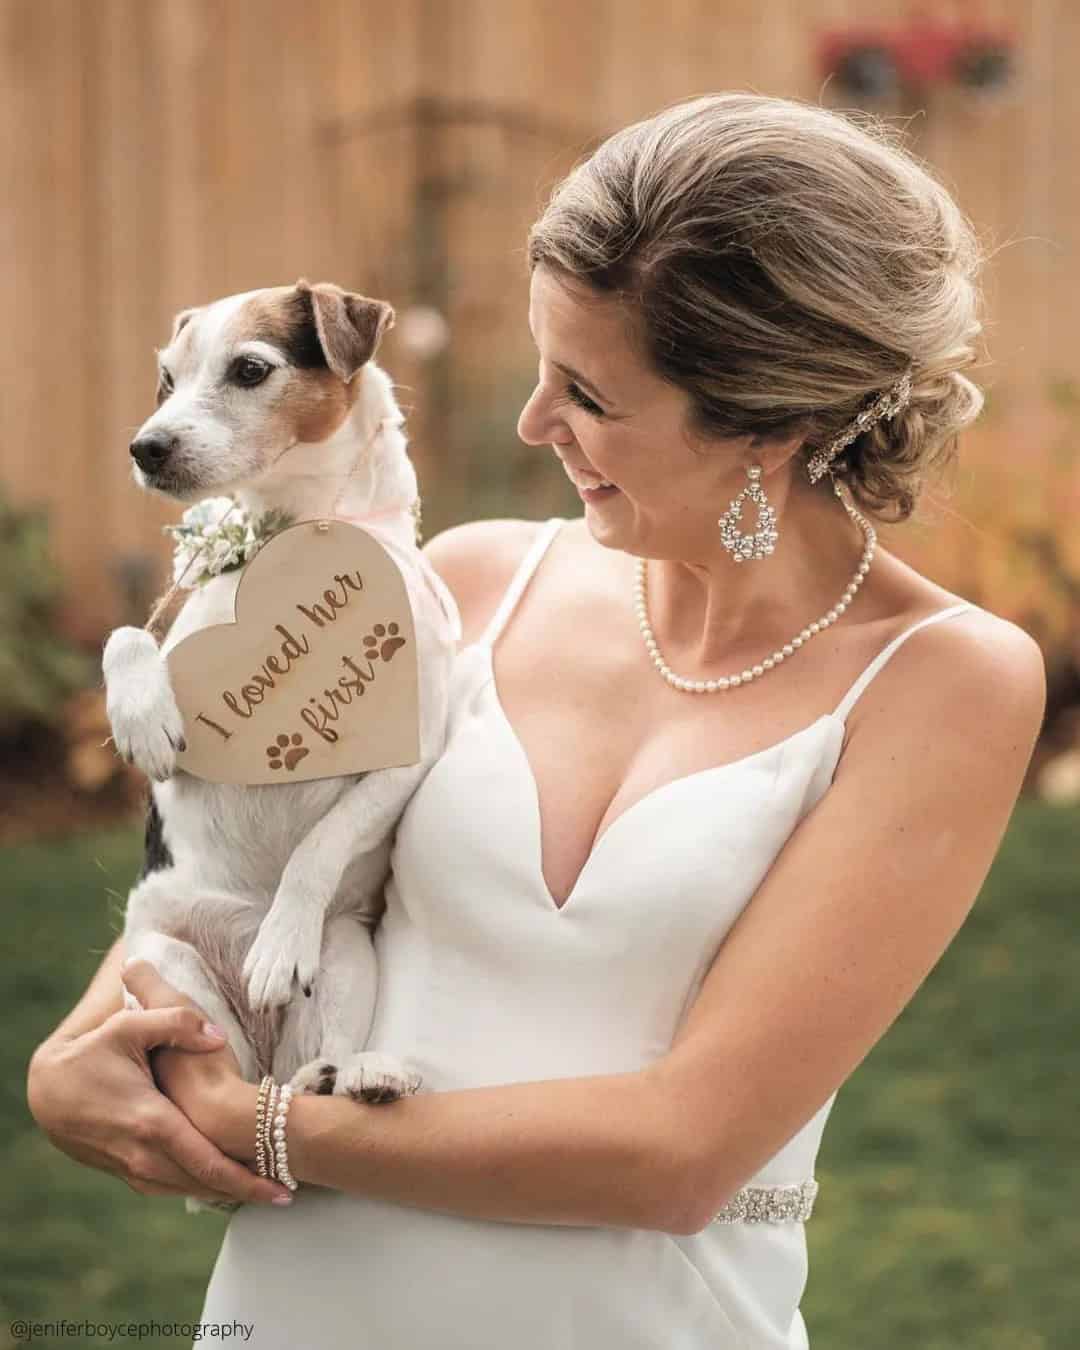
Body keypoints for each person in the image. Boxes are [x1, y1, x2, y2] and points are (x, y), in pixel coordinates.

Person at [28, 93, 1045, 1348]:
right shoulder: (463, 585)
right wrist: (70, 1066)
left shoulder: (945, 682)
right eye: (539, 367)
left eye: (590, 394)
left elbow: (677, 1155)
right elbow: (204, 901)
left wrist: (256, 1125)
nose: (531, 424)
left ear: (772, 423)